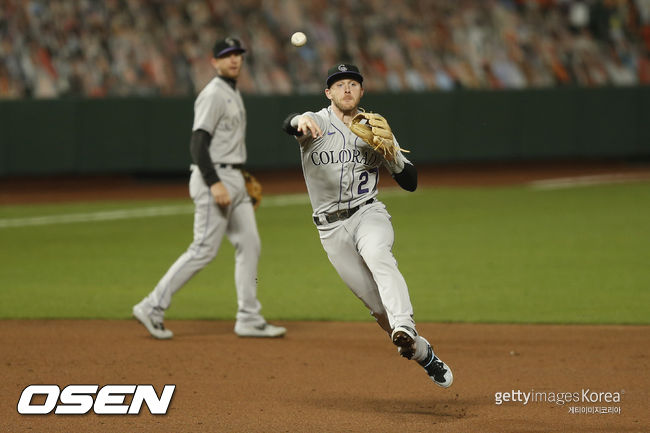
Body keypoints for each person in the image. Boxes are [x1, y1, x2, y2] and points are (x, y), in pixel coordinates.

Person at [281, 64, 452, 387]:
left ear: (361, 91)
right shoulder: (316, 122)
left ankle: (405, 325)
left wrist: (392, 155)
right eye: (339, 84)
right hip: (330, 230)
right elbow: (290, 123)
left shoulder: (375, 128)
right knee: (375, 306)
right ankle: (422, 352)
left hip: (368, 214)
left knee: (378, 254)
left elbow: (410, 182)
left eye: (353, 84)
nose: (347, 88)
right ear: (328, 93)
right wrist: (297, 121)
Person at [133, 37, 286, 339]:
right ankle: (152, 306)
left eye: (237, 54)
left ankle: (248, 317)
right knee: (203, 249)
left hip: (235, 177)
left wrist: (235, 180)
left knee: (250, 244)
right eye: (227, 55)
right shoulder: (214, 94)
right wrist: (214, 182)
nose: (234, 60)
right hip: (213, 177)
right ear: (213, 61)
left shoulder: (232, 91)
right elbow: (198, 142)